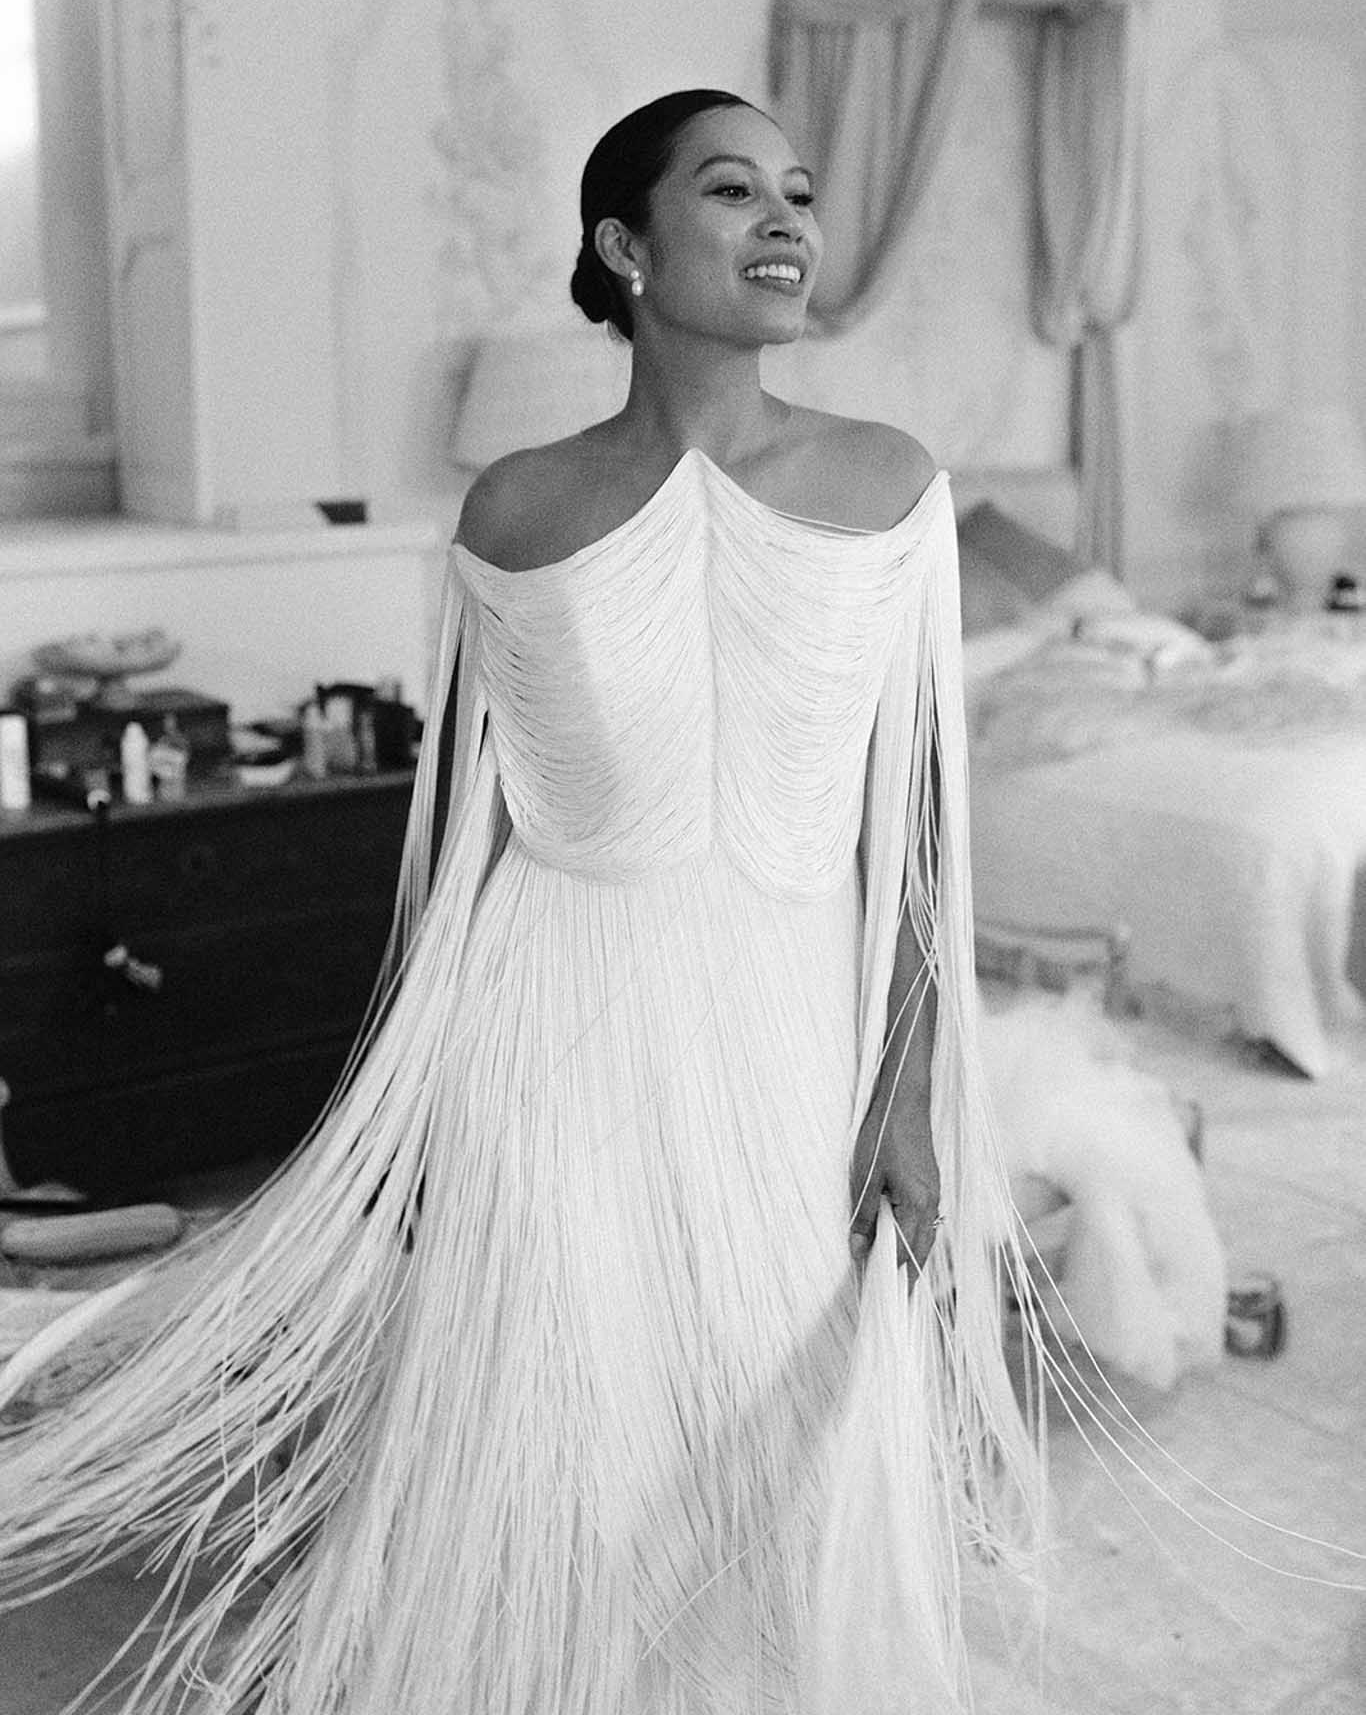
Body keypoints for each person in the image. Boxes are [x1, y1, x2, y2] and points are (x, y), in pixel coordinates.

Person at [0, 89, 1045, 1713]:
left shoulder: (888, 482)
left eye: (797, 191)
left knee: (777, 1400)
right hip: (546, 1021)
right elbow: (470, 842)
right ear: (623, 249)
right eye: (729, 191)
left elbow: (913, 822)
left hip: (789, 1020)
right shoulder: (516, 508)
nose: (785, 220)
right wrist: (416, 1111)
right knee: (564, 1408)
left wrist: (908, 1085)